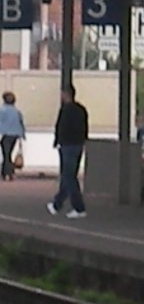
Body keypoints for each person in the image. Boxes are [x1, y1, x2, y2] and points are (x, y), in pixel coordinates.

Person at [47, 84, 89, 219]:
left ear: (66, 94)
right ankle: (56, 204)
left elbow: (60, 126)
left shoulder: (65, 110)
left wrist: (57, 140)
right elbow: (85, 127)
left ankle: (79, 207)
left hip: (67, 145)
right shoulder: (81, 109)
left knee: (68, 176)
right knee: (69, 175)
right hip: (78, 144)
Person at [0, 91, 26, 181]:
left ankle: (7, 173)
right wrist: (22, 134)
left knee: (6, 154)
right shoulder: (17, 111)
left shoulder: (1, 110)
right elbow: (21, 123)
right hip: (15, 135)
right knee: (8, 153)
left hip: (5, 134)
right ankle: (8, 172)